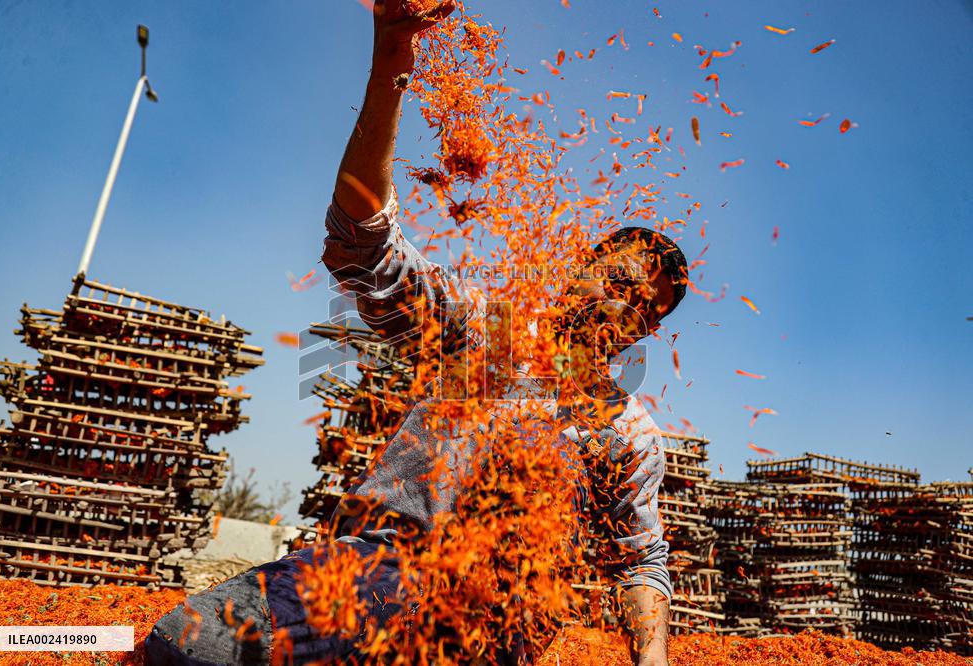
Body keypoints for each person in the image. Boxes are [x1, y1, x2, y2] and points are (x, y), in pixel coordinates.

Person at [145, 1, 687, 664]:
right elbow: (362, 249)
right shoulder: (481, 332)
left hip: (499, 614)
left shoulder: (627, 431)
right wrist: (392, 58)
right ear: (578, 267)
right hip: (383, 566)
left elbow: (640, 563)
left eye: (643, 306)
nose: (620, 304)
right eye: (618, 278)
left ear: (648, 331)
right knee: (186, 646)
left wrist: (652, 660)